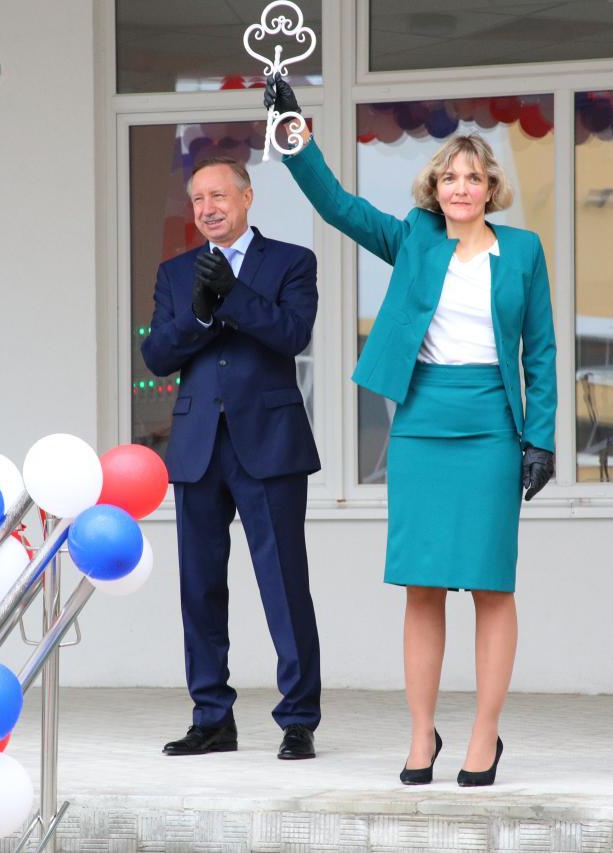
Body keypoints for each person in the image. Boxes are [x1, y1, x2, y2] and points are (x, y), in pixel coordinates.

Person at [265, 77, 557, 786]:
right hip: (421, 426)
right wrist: (295, 136)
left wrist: (541, 437)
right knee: (420, 586)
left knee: (491, 585)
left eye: (474, 177)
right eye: (451, 177)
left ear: (491, 187)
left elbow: (542, 352)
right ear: (435, 187)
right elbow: (338, 206)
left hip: (492, 428)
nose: (462, 187)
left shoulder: (523, 252)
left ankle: (485, 735)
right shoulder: (415, 239)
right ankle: (422, 733)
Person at [139, 156, 323, 760]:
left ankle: (298, 719)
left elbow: (293, 334)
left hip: (269, 443)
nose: (207, 208)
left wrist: (233, 296)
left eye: (218, 195)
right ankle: (212, 718)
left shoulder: (292, 261)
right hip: (197, 448)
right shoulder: (175, 273)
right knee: (199, 588)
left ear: (247, 198)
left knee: (283, 584)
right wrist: (198, 313)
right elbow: (157, 357)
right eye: (198, 199)